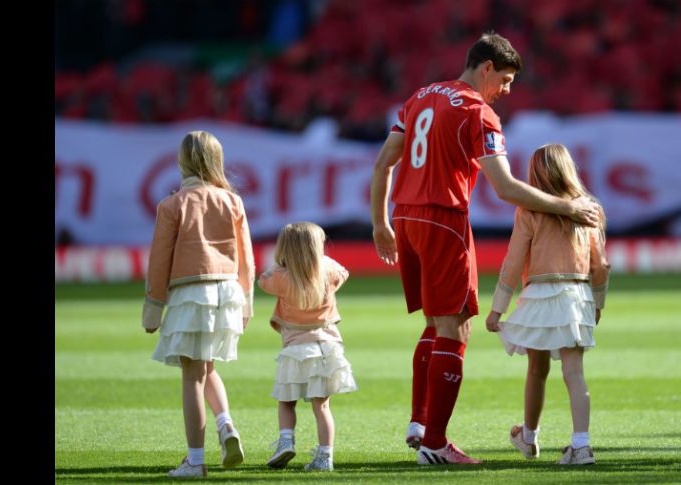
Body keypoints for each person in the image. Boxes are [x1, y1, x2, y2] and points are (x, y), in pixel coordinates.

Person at [370, 31, 601, 466]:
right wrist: (567, 206)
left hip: (404, 216)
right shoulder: (478, 114)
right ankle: (436, 443)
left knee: (436, 322)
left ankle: (420, 423)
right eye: (507, 79)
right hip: (443, 219)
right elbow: (506, 188)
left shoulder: (420, 96)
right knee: (456, 328)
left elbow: (384, 162)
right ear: (487, 67)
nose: (507, 91)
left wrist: (380, 223)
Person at [485, 143, 610, 465]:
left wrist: (498, 307)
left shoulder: (529, 210)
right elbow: (600, 264)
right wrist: (598, 302)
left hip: (540, 293)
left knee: (536, 370)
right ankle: (580, 444)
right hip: (577, 294)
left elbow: (513, 262)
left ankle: (529, 436)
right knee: (574, 372)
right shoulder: (590, 208)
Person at [142, 131, 255, 478]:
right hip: (227, 291)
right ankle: (225, 425)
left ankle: (195, 460)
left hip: (192, 293)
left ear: (182, 161)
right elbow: (246, 257)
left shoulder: (172, 204)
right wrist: (247, 301)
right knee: (206, 367)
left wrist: (153, 307)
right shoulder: (232, 201)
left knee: (191, 375)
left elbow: (159, 260)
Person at [259, 222, 357, 472]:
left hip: (295, 348)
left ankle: (285, 441)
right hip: (327, 348)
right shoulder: (327, 271)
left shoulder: (280, 277)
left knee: (286, 401)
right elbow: (343, 272)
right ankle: (325, 456)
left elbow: (262, 280)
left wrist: (282, 262)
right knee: (322, 406)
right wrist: (321, 260)